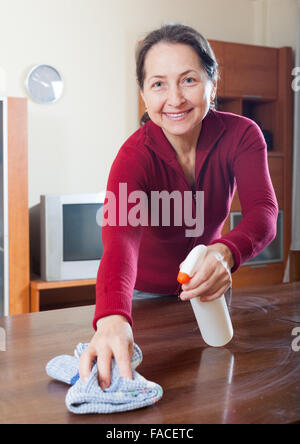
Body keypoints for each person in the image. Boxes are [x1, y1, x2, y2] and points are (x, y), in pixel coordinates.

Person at [79, 24, 278, 389]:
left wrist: (223, 254)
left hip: (209, 279)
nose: (175, 99)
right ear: (143, 93)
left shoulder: (242, 135)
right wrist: (111, 317)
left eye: (188, 80)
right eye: (158, 84)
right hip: (142, 295)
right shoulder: (133, 158)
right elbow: (119, 240)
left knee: (217, 379)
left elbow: (263, 213)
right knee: (156, 384)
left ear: (212, 84)